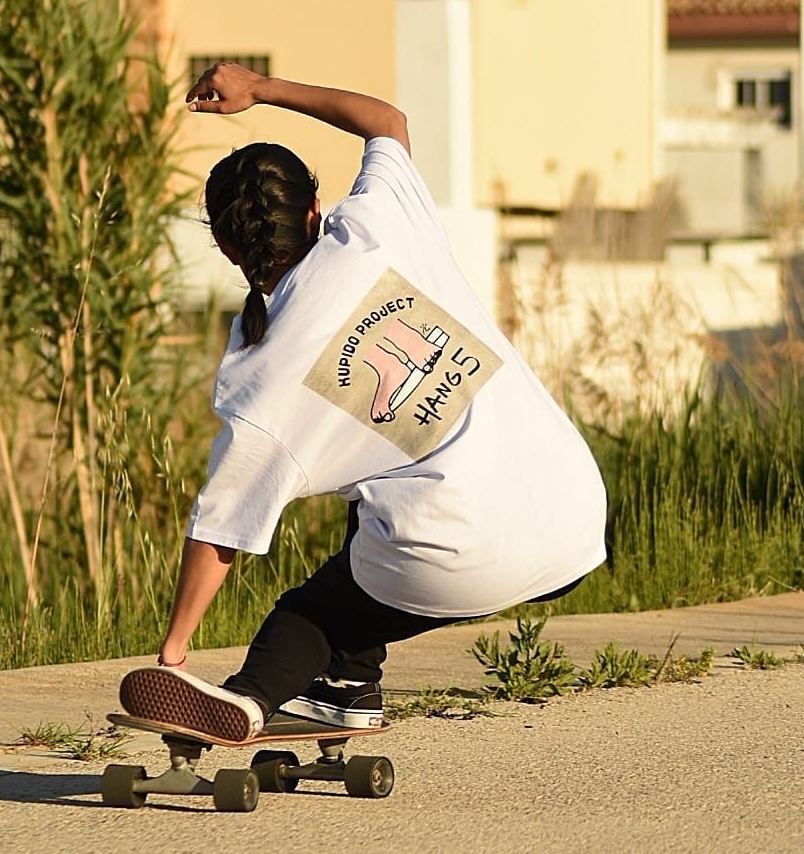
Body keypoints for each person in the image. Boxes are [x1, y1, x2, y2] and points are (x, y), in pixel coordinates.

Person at [120, 64, 607, 743]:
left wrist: (172, 654)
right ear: (313, 212)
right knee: (373, 499)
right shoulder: (377, 222)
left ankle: (254, 697)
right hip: (575, 519)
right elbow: (386, 121)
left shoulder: (259, 375)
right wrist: (262, 88)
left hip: (459, 556)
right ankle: (345, 686)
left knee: (314, 610)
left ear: (226, 247)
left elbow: (221, 530)